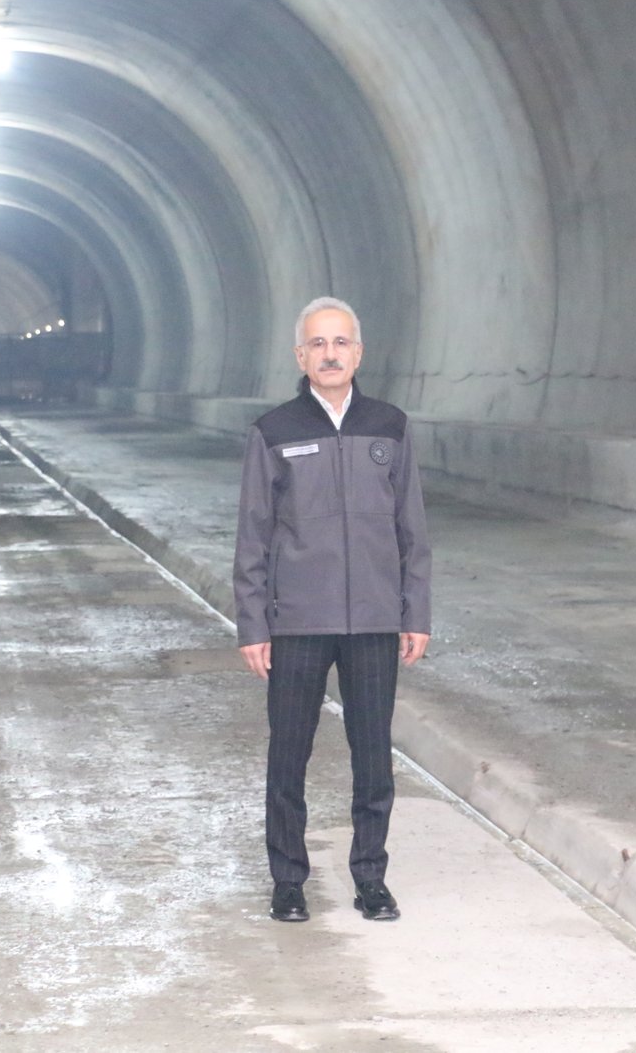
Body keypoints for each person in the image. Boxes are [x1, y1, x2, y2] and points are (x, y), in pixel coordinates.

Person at [232, 296, 432, 923]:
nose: (330, 354)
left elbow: (412, 529)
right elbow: (253, 535)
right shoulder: (274, 431)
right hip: (297, 622)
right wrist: (253, 623)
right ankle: (288, 881)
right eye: (317, 344)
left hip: (374, 620)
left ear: (358, 353)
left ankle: (371, 878)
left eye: (340, 342)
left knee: (373, 757)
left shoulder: (390, 427)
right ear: (300, 356)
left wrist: (415, 612)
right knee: (288, 755)